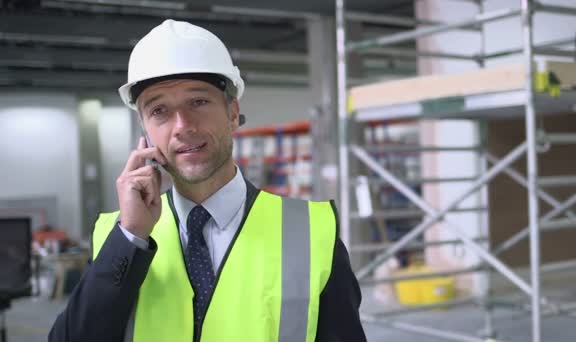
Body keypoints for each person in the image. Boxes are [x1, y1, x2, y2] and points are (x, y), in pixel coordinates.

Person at [49, 19, 366, 342]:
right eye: (159, 111)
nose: (182, 125)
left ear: (232, 113)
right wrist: (130, 237)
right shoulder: (119, 236)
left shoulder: (310, 234)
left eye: (198, 102)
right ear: (145, 132)